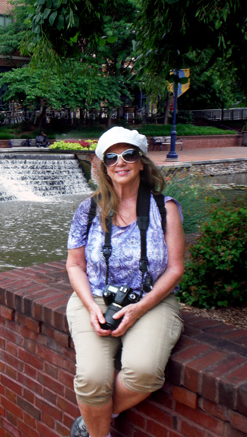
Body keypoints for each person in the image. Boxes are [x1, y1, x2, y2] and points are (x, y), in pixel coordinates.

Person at [65, 127, 185, 437]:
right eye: (111, 157)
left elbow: (174, 269)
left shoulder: (164, 208)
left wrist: (140, 308)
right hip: (94, 298)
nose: (121, 162)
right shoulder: (87, 209)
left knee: (144, 373)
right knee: (91, 378)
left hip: (151, 299)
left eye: (129, 154)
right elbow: (74, 265)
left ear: (141, 162)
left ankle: (94, 419)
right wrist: (90, 306)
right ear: (103, 166)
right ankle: (99, 433)